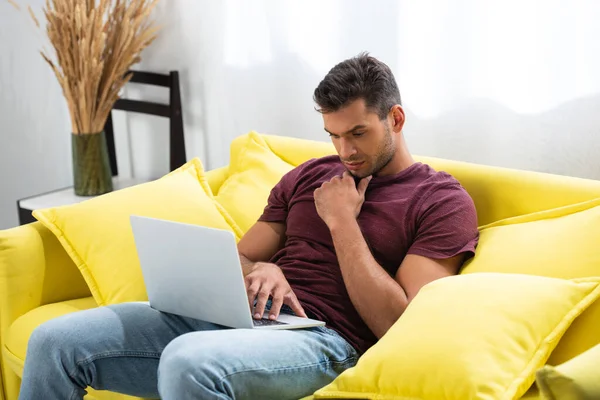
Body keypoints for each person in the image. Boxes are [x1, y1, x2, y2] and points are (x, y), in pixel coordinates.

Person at [18, 53, 479, 400]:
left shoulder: (440, 200)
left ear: (395, 119)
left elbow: (397, 323)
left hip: (327, 339)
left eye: (358, 133)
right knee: (56, 340)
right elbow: (239, 257)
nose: (345, 151)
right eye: (334, 135)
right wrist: (263, 270)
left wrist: (342, 223)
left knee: (189, 360)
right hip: (244, 320)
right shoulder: (309, 176)